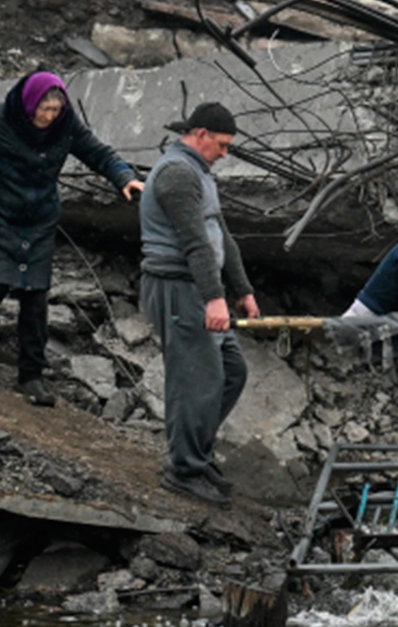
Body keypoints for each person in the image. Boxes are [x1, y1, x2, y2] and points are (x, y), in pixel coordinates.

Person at [0, 70, 144, 407]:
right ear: (29, 104)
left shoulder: (66, 125)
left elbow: (99, 153)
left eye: (54, 110)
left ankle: (31, 375)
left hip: (38, 220)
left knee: (36, 294)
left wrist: (124, 178)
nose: (48, 117)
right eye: (43, 110)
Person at [140, 102, 260, 507]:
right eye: (222, 146)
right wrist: (214, 298)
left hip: (196, 288)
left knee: (231, 372)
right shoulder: (176, 174)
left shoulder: (199, 172)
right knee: (195, 381)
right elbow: (194, 243)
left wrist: (242, 290)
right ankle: (184, 470)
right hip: (177, 288)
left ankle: (198, 453)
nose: (225, 155)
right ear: (201, 135)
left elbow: (220, 235)